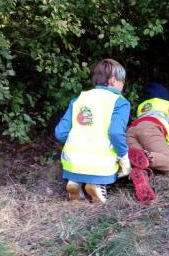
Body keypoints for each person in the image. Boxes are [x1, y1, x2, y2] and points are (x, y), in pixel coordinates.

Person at [55, 59, 144, 203]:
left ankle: (74, 182)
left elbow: (60, 133)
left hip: (73, 162)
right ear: (114, 81)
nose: (123, 85)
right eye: (122, 81)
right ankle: (96, 185)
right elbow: (115, 133)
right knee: (106, 164)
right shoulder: (120, 102)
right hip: (101, 164)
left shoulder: (78, 99)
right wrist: (124, 157)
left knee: (77, 168)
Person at [126, 83, 169, 174]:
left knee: (138, 159)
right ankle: (145, 157)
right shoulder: (168, 106)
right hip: (150, 129)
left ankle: (141, 171)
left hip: (131, 131)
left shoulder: (142, 106)